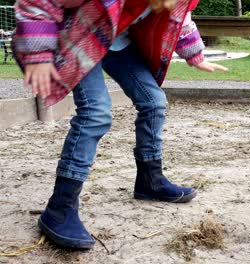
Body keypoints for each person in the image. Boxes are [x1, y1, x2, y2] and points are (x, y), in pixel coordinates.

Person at [13, 0, 228, 249]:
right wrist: (38, 54)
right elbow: (37, 2)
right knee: (96, 113)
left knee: (154, 102)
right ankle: (60, 208)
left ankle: (150, 181)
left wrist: (195, 55)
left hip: (118, 42)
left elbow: (180, 18)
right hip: (82, 36)